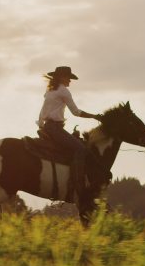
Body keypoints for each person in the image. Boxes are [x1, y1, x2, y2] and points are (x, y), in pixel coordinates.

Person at [36, 66, 109, 198]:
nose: (70, 81)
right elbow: (76, 112)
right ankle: (77, 181)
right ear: (62, 77)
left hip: (48, 127)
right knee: (81, 149)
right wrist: (95, 116)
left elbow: (43, 110)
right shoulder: (64, 91)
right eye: (69, 78)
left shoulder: (50, 90)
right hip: (55, 128)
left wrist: (41, 125)